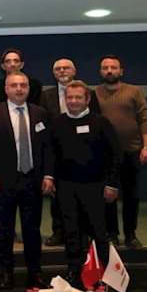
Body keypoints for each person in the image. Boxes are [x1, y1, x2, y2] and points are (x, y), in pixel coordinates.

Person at [46, 81, 121, 288]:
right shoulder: (56, 123)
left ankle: (103, 273)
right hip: (66, 187)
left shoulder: (101, 122)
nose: (73, 101)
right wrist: (49, 177)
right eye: (69, 97)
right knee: (71, 230)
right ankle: (74, 270)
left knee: (98, 231)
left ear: (87, 99)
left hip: (95, 186)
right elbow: (50, 154)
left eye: (78, 97)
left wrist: (112, 184)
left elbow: (115, 154)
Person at [0, 72, 54, 289]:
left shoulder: (40, 113)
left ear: (29, 88)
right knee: (4, 230)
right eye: (14, 85)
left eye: (23, 85)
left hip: (33, 180)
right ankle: (6, 273)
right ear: (6, 89)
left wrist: (48, 175)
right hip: (4, 181)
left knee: (32, 229)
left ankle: (35, 273)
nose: (19, 89)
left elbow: (47, 147)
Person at [38, 59, 100, 247]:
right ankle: (58, 232)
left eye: (66, 68)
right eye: (58, 69)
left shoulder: (89, 93)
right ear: (53, 73)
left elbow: (95, 118)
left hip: (84, 154)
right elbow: (42, 121)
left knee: (84, 200)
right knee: (57, 197)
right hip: (57, 152)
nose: (62, 71)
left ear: (74, 71)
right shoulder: (46, 95)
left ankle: (85, 234)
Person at [94, 55, 147, 250]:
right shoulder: (94, 93)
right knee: (107, 196)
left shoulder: (134, 91)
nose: (109, 71)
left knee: (131, 196)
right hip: (105, 154)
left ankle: (130, 234)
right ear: (101, 72)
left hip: (131, 151)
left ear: (121, 71)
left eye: (113, 67)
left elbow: (144, 119)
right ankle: (112, 234)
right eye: (105, 68)